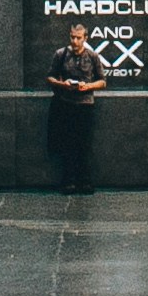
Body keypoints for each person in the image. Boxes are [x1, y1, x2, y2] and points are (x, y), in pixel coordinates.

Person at [45, 23, 105, 194]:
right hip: (65, 104)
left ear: (85, 39)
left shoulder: (92, 56)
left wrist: (87, 87)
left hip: (85, 104)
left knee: (84, 145)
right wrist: (62, 84)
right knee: (67, 144)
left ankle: (84, 181)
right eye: (72, 37)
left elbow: (102, 81)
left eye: (79, 38)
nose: (75, 41)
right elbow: (49, 77)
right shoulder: (61, 54)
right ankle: (68, 181)